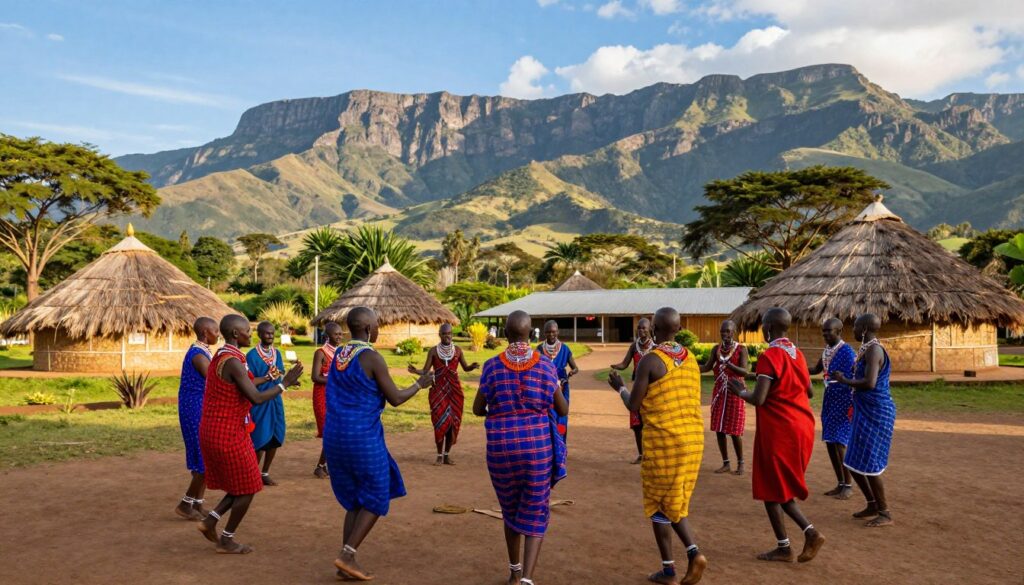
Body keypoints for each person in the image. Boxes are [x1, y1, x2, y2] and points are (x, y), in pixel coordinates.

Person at [326, 307, 432, 581]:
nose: (379, 328)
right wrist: (420, 384)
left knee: (354, 500)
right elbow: (395, 398)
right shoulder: (371, 357)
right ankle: (348, 554)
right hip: (362, 437)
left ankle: (344, 560)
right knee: (378, 490)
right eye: (377, 324)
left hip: (335, 436)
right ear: (369, 328)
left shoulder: (339, 354)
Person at [607, 307, 708, 584]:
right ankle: (671, 567)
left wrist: (620, 387)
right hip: (693, 438)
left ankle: (689, 556)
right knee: (674, 501)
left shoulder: (651, 360)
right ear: (678, 328)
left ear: (653, 329)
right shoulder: (690, 359)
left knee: (659, 501)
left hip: (666, 441)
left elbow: (634, 405)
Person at [473, 310, 568, 585]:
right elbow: (562, 408)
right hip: (537, 449)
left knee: (510, 509)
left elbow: (478, 408)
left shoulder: (491, 366)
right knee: (536, 508)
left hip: (501, 449)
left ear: (505, 334)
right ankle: (527, 579)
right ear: (531, 334)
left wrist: (502, 408)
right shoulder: (546, 366)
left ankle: (514, 572)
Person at [197, 315, 303, 553]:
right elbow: (255, 397)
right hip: (226, 431)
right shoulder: (233, 361)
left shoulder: (225, 356)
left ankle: (210, 521)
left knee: (241, 483)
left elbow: (248, 385)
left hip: (220, 428)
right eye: (247, 330)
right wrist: (284, 383)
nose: (250, 334)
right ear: (235, 333)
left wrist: (273, 379)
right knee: (250, 485)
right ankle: (226, 538)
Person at [727, 308, 824, 563]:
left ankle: (810, 532)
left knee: (775, 487)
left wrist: (740, 392)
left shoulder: (770, 356)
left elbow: (759, 398)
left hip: (780, 429)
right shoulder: (798, 354)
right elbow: (810, 393)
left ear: (768, 328)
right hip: (802, 426)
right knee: (774, 486)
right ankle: (783, 546)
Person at [832, 313, 896, 528]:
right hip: (863, 409)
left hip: (876, 411)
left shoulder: (875, 350)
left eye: (857, 326)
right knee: (852, 460)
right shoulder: (866, 349)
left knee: (870, 461)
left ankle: (884, 512)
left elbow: (870, 382)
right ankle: (872, 503)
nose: (854, 329)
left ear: (866, 327)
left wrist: (845, 380)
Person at [408, 323, 479, 465]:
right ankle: (439, 455)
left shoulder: (458, 350)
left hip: (454, 392)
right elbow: (426, 370)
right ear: (439, 335)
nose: (448, 336)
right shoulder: (433, 351)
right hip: (438, 392)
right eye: (445, 334)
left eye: (450, 333)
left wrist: (471, 366)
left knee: (452, 423)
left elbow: (465, 368)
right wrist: (415, 371)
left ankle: (447, 455)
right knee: (440, 423)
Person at [808, 318, 857, 499]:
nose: (825, 334)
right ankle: (840, 483)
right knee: (829, 441)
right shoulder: (827, 350)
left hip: (844, 400)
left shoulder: (847, 352)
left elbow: (854, 376)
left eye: (829, 331)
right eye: (823, 331)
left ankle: (849, 485)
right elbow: (816, 369)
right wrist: (795, 368)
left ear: (839, 331)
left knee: (840, 442)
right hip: (830, 399)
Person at [174, 317, 218, 520]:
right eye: (215, 331)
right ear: (204, 333)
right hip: (194, 408)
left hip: (197, 406)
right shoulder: (198, 355)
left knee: (203, 458)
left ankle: (197, 504)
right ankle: (186, 503)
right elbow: (214, 380)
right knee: (203, 458)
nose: (218, 334)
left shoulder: (202, 352)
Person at [699, 320, 749, 475]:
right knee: (719, 429)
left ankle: (740, 464)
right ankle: (726, 463)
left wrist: (730, 366)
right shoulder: (716, 349)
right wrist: (689, 366)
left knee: (734, 430)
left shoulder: (741, 349)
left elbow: (744, 371)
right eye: (722, 332)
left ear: (733, 332)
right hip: (719, 392)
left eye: (727, 331)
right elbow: (707, 367)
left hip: (735, 392)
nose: (724, 334)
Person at [245, 321, 287, 486]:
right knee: (260, 437)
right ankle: (252, 474)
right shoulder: (251, 355)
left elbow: (280, 372)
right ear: (259, 334)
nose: (270, 336)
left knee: (276, 436)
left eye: (272, 333)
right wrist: (268, 377)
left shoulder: (276, 353)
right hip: (259, 400)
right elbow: (249, 381)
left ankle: (264, 472)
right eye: (267, 333)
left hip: (275, 400)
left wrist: (287, 380)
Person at [610, 318, 654, 464]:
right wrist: (616, 366)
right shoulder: (634, 346)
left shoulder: (656, 347)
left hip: (651, 390)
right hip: (637, 387)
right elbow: (625, 363)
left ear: (650, 329)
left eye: (644, 328)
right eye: (639, 328)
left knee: (650, 423)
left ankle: (652, 454)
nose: (641, 331)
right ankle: (641, 454)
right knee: (637, 425)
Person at [310, 321, 344, 479]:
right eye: (336, 334)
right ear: (327, 336)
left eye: (341, 334)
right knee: (329, 432)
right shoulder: (321, 352)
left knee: (335, 432)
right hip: (322, 396)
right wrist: (336, 379)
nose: (339, 336)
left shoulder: (341, 352)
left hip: (337, 396)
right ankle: (321, 466)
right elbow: (315, 377)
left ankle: (322, 465)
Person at [538, 320, 578, 439]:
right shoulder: (539, 349)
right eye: (548, 332)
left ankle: (561, 445)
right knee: (546, 414)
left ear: (558, 332)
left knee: (562, 415)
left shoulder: (564, 349)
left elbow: (575, 367)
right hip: (545, 386)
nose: (551, 334)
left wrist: (572, 372)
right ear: (544, 333)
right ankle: (549, 445)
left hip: (562, 386)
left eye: (553, 332)